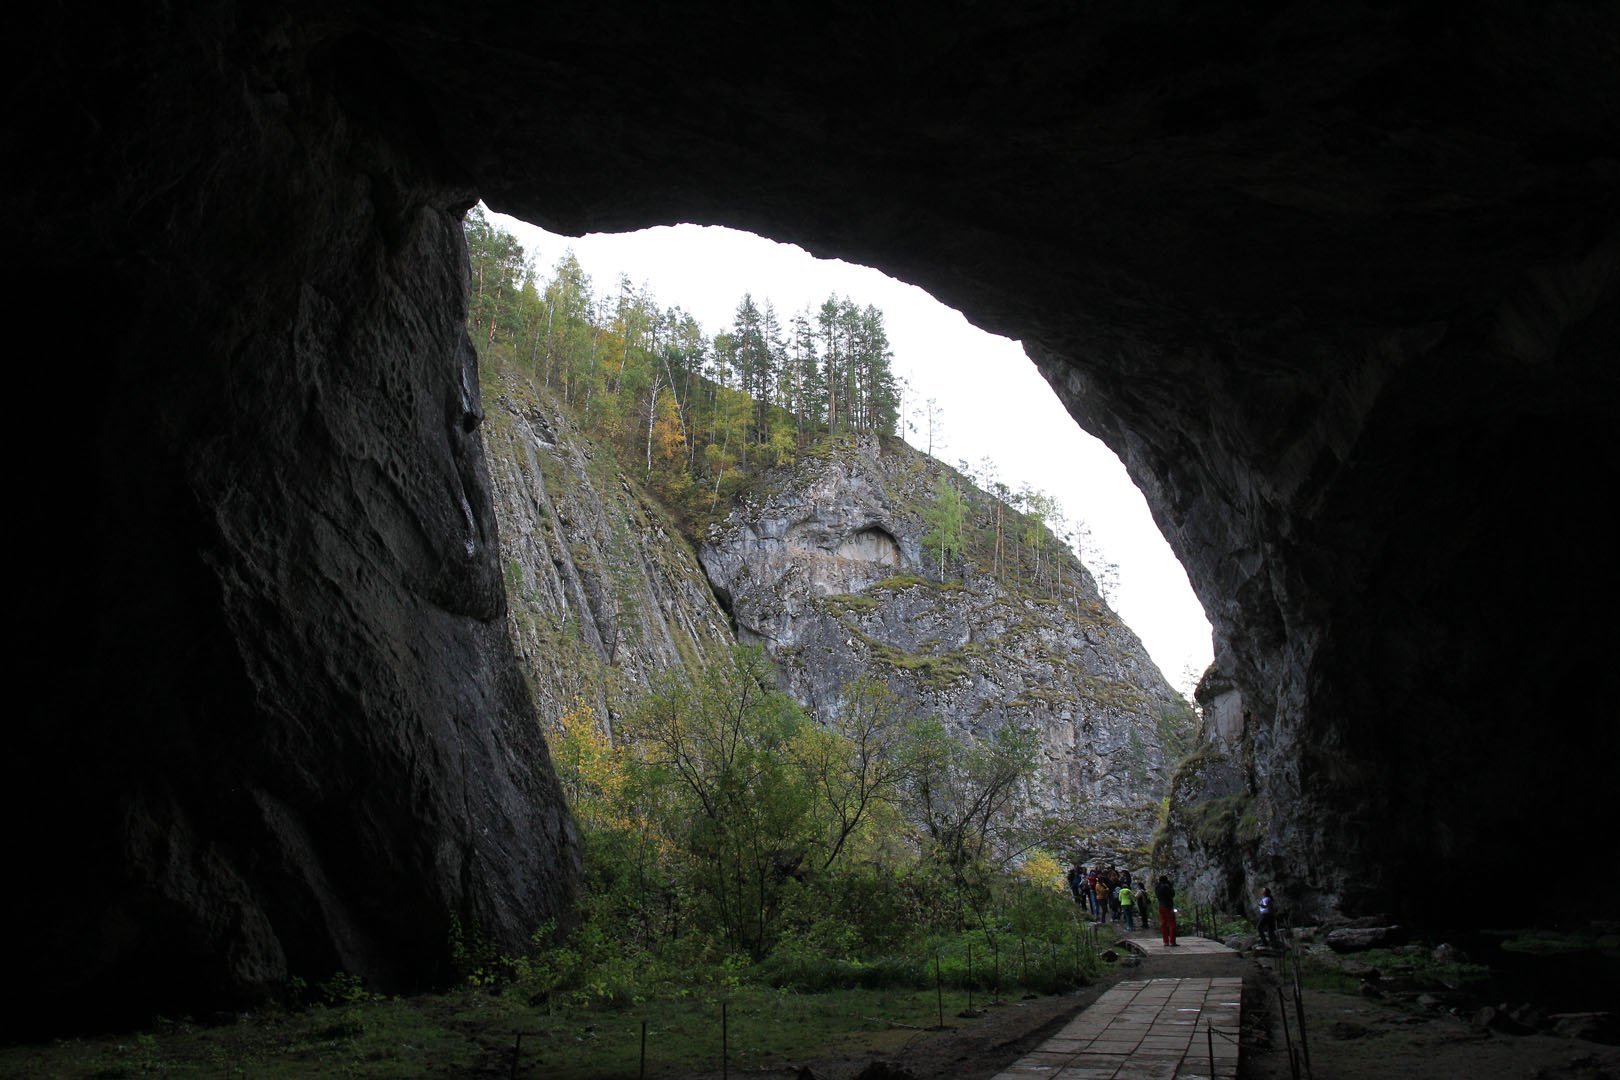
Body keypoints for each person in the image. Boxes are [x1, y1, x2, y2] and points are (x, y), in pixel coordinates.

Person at [1154, 875, 1178, 946]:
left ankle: (1165, 941)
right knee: (1172, 924)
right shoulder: (1166, 887)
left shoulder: (1157, 887)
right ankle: (1172, 941)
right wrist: (1170, 886)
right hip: (1168, 906)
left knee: (1163, 924)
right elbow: (1172, 894)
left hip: (1161, 906)